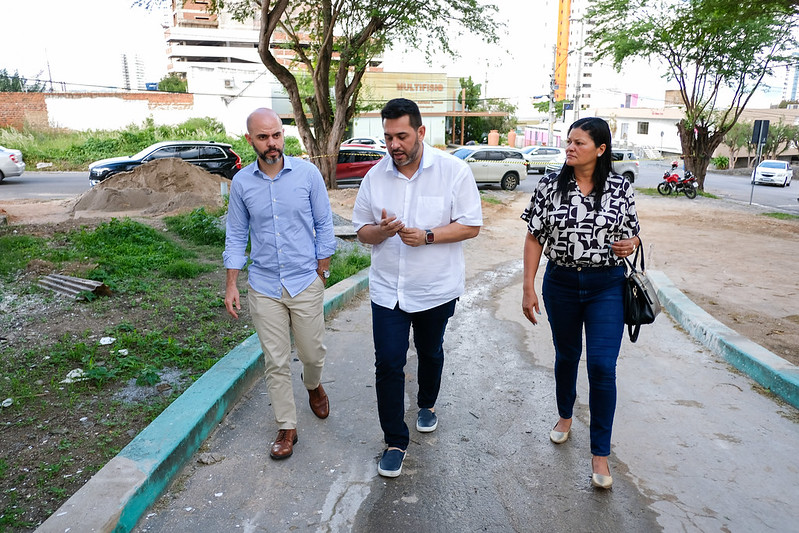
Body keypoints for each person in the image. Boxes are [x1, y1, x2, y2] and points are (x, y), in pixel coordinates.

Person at [352, 98, 483, 478]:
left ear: (421, 132)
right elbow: (362, 231)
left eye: (402, 136)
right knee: (389, 362)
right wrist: (382, 231)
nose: (394, 145)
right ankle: (395, 440)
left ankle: (427, 402)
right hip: (387, 291)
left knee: (430, 351)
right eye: (388, 136)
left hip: (435, 289)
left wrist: (427, 235)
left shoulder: (453, 171)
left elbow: (471, 225)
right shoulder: (375, 177)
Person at [520, 117, 640, 490]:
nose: (570, 148)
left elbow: (633, 234)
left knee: (603, 367)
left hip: (607, 285)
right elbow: (534, 237)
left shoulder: (620, 187)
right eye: (568, 141)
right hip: (561, 284)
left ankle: (600, 453)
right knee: (567, 355)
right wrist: (528, 286)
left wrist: (629, 244)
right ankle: (565, 415)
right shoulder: (549, 185)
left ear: (600, 149)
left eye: (579, 143)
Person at [224, 107, 337, 460]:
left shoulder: (307, 174)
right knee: (274, 360)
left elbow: (325, 224)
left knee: (311, 353)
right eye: (263, 137)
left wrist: (322, 269)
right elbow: (236, 235)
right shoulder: (242, 183)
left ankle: (313, 384)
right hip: (264, 285)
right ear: (250, 140)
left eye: (276, 135)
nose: (271, 144)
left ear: (282, 135)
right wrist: (231, 284)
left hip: (305, 281)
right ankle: (287, 427)